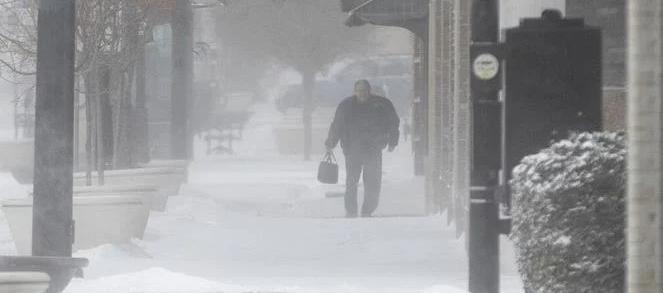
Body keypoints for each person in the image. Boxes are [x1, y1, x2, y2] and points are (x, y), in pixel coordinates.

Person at [325, 80, 400, 218]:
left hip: (373, 148)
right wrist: (330, 143)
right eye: (359, 90)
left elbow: (393, 123)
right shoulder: (346, 106)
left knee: (372, 181)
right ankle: (351, 210)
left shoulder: (381, 105)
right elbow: (337, 125)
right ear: (355, 91)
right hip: (352, 149)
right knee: (351, 181)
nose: (362, 93)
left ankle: (368, 209)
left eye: (364, 90)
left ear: (369, 91)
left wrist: (392, 141)